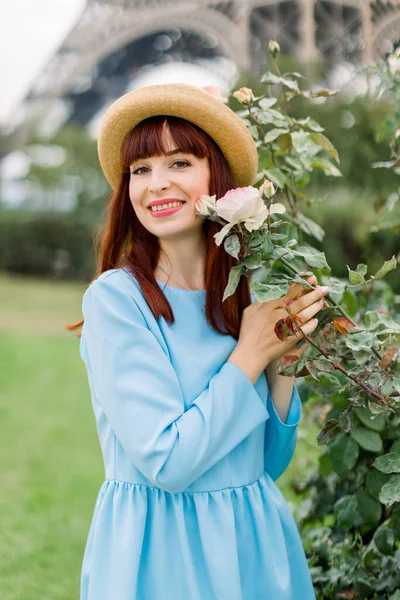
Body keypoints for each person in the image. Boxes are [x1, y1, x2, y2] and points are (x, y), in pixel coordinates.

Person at [73, 83, 328, 600]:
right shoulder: (117, 302)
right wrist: (251, 354)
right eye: (140, 170)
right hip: (162, 556)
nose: (156, 184)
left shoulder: (246, 298)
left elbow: (264, 465)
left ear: (219, 178)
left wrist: (283, 364)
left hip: (254, 541)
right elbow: (168, 462)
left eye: (180, 163)